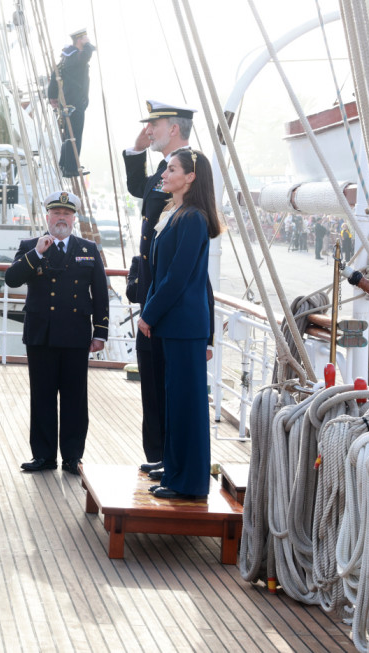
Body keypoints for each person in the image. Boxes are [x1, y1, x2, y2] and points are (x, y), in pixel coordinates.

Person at [137, 149, 222, 500]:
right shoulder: (176, 214)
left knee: (188, 405)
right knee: (175, 403)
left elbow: (178, 277)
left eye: (172, 169)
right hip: (176, 326)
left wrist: (149, 313)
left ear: (190, 177)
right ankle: (174, 473)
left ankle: (190, 483)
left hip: (185, 327)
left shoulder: (193, 219)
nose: (165, 174)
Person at [4, 190, 108, 475]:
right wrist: (37, 252)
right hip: (41, 334)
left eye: (67, 213)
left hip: (75, 335)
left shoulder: (88, 249)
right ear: (47, 217)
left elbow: (100, 293)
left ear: (73, 218)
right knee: (42, 397)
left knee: (75, 399)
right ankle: (44, 456)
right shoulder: (30, 245)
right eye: (56, 213)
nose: (61, 218)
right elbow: (12, 279)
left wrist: (100, 332)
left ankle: (73, 457)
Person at [123, 100, 195, 476]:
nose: (150, 130)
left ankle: (169, 458)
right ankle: (157, 455)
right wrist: (137, 148)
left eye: (156, 124)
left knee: (166, 381)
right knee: (151, 378)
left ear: (176, 128)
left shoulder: (187, 170)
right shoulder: (166, 172)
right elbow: (140, 187)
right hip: (151, 285)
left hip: (167, 291)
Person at [47, 29, 96, 177]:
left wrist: (52, 96)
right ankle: (71, 168)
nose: (87, 39)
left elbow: (55, 75)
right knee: (75, 135)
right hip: (75, 101)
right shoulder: (75, 55)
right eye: (85, 38)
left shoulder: (65, 57)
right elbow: (86, 56)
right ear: (79, 40)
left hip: (68, 101)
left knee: (69, 135)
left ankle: (64, 164)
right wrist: (88, 45)